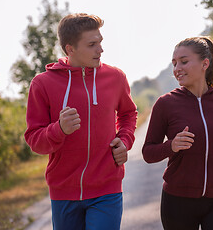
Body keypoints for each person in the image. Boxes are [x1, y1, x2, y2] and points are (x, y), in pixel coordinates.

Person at [24, 13, 137, 230]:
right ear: (70, 49)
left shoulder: (116, 78)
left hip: (107, 188)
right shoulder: (43, 84)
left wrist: (124, 140)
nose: (100, 49)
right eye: (92, 44)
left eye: (100, 42)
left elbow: (128, 114)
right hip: (64, 191)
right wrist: (58, 130)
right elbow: (34, 139)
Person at [142, 36, 213, 230]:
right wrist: (170, 146)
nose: (177, 68)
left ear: (205, 63)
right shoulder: (166, 104)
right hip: (178, 201)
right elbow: (148, 152)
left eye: (184, 61)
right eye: (174, 63)